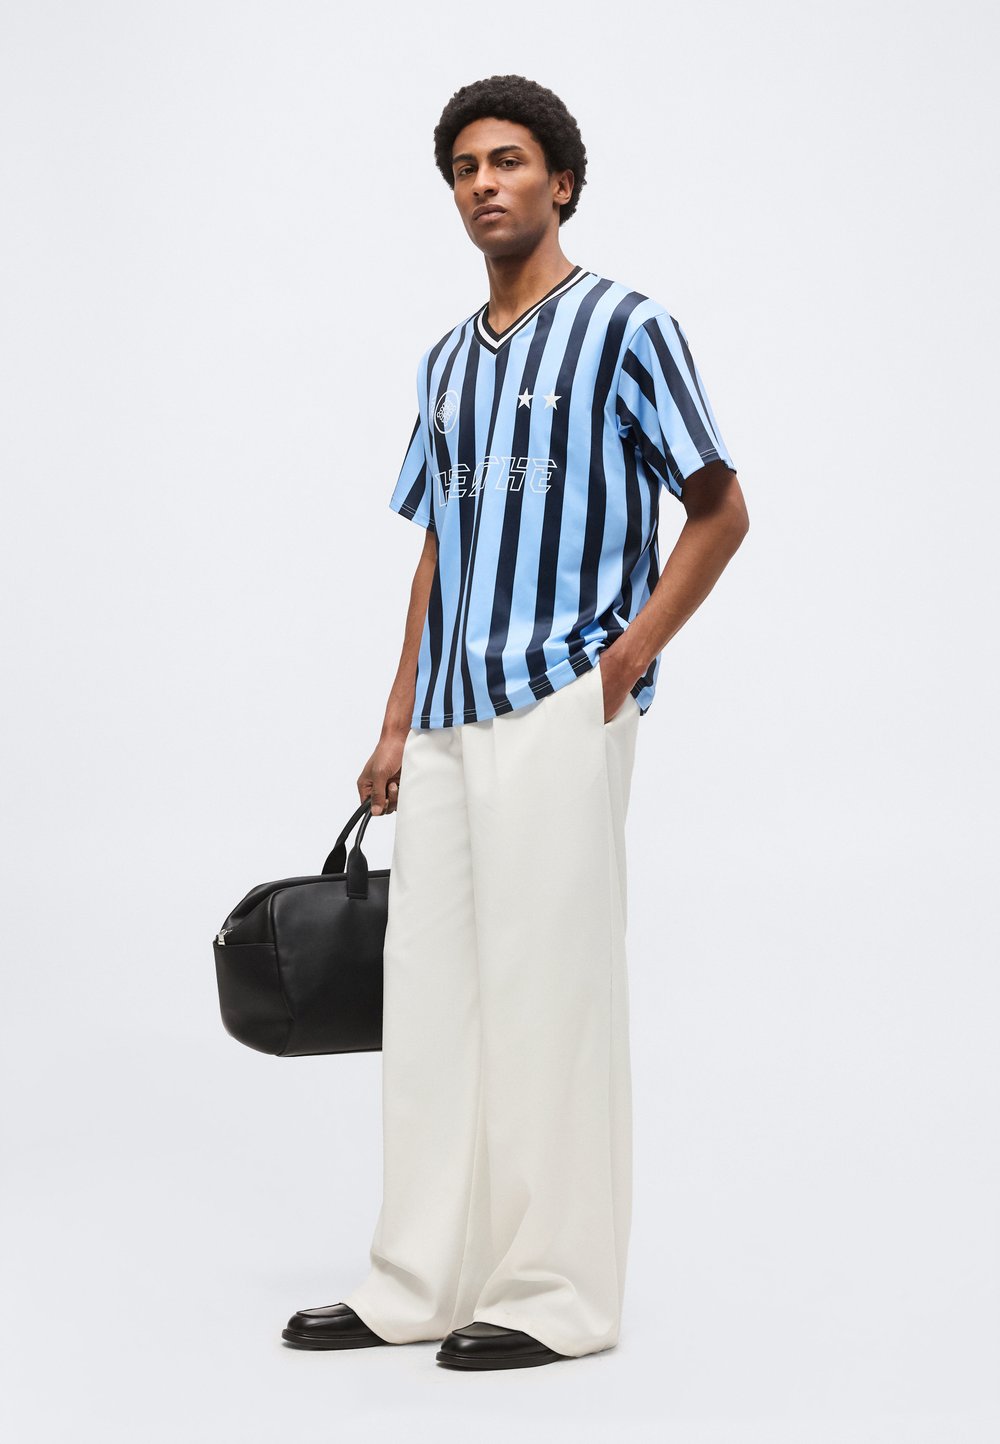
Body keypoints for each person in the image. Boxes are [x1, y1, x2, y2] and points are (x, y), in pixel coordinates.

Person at [281, 73, 749, 1371]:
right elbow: (439, 547)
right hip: (444, 717)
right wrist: (393, 722)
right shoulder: (444, 360)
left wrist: (623, 664)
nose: (484, 183)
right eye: (464, 168)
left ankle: (556, 1295)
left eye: (508, 161)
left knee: (551, 995)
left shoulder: (627, 327)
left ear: (562, 182)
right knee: (432, 1003)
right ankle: (417, 1279)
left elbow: (720, 510)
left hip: (559, 700)